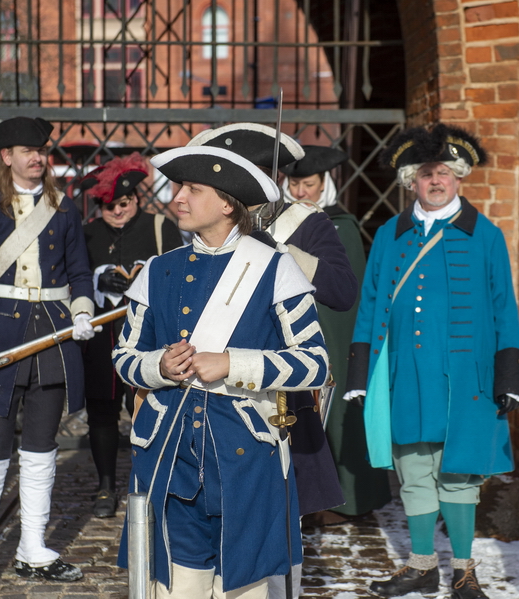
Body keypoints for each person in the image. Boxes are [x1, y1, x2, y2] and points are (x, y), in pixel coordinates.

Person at [113, 143, 329, 598]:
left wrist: (233, 363)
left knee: (244, 585)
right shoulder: (158, 270)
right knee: (175, 582)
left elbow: (315, 363)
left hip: (245, 454)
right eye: (177, 187)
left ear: (227, 203)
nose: (178, 198)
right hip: (171, 453)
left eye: (192, 189)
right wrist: (158, 366)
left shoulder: (275, 269)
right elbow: (124, 357)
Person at [346, 124, 519, 599]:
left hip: (467, 377)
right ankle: (422, 564)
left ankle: (464, 570)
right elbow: (370, 304)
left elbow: (503, 307)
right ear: (411, 181)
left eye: (444, 172)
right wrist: (360, 374)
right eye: (426, 173)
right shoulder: (389, 234)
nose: (436, 181)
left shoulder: (484, 234)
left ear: (459, 177)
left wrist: (509, 376)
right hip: (405, 372)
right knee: (413, 469)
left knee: (459, 472)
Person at [187, 124, 350, 599]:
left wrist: (285, 254)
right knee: (214, 503)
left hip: (278, 382)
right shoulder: (209, 223)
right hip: (213, 383)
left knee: (280, 508)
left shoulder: (306, 224)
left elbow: (342, 291)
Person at [0, 117, 97, 596]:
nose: (37, 157)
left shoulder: (64, 209)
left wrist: (83, 311)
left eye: (41, 150)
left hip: (52, 340)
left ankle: (33, 546)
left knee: (40, 449)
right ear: (6, 157)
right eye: (26, 150)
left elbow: (80, 272)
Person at [281, 145, 391, 523]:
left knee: (337, 410)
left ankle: (346, 501)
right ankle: (307, 499)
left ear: (324, 184)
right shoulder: (278, 223)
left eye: (308, 184)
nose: (300, 193)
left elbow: (349, 291)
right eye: (294, 184)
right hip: (292, 328)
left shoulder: (341, 225)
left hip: (334, 332)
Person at [80, 153, 183, 518]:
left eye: (124, 203)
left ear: (136, 199)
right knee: (102, 412)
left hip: (147, 337)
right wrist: (96, 280)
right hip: (100, 339)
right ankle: (106, 485)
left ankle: (150, 481)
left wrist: (147, 281)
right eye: (109, 206)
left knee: (144, 408)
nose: (118, 211)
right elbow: (73, 278)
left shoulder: (160, 227)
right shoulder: (87, 233)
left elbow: (178, 278)